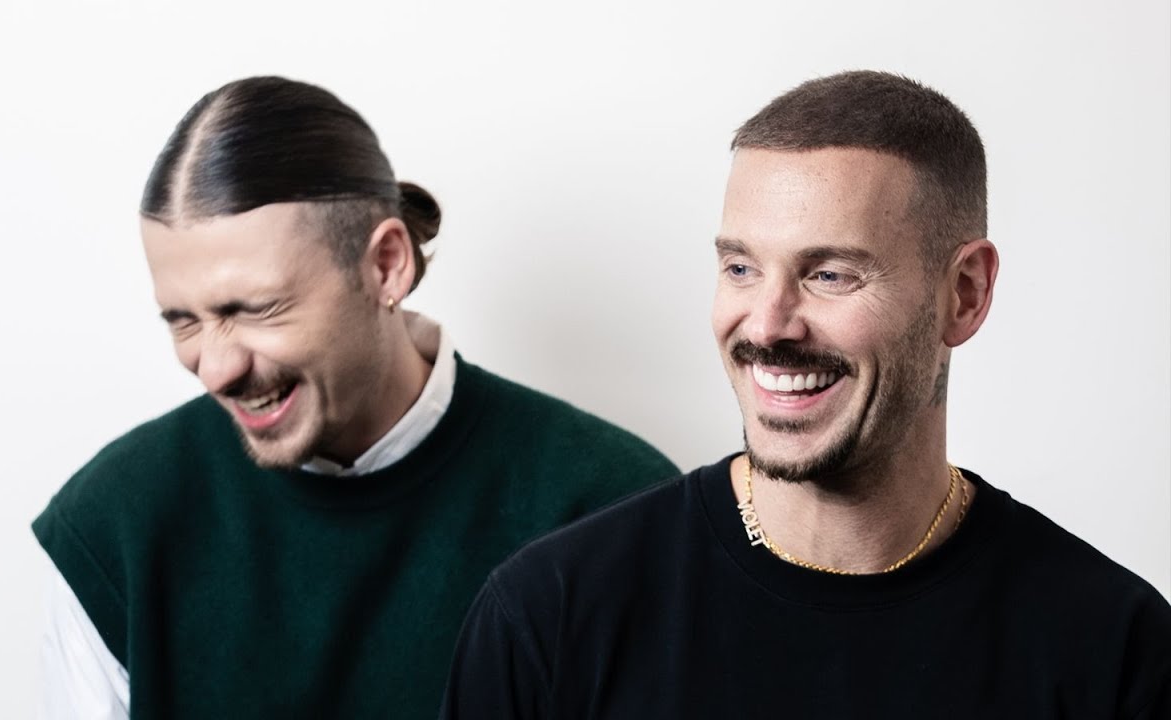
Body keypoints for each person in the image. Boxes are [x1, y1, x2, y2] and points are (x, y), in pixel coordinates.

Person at [440, 70, 1171, 718]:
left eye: (829, 274)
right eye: (740, 268)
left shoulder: (1114, 646)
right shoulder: (551, 613)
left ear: (965, 294)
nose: (766, 325)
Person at [31, 75, 678, 719]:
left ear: (386, 265)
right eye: (184, 322)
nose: (217, 369)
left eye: (256, 309)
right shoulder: (114, 524)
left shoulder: (617, 512)